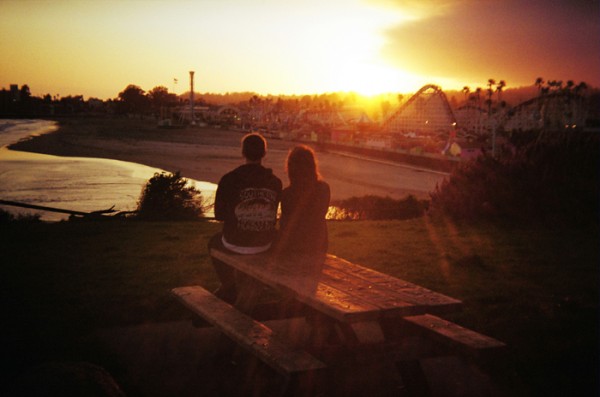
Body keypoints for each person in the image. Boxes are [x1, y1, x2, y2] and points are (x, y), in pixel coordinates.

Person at [209, 133, 282, 301]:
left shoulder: (229, 179)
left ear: (243, 153)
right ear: (264, 153)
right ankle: (256, 284)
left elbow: (219, 215)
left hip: (235, 243)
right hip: (264, 244)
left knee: (213, 242)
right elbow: (272, 215)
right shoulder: (276, 182)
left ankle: (228, 285)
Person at [276, 145, 330, 259]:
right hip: (318, 245)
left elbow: (286, 223)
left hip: (293, 247)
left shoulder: (287, 194)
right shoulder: (324, 189)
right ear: (313, 166)